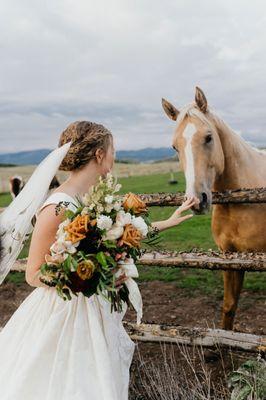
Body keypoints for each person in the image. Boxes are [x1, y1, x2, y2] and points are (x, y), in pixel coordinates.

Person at [0, 121, 196, 400]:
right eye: (112, 150)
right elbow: (33, 274)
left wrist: (167, 222)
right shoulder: (57, 206)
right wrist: (86, 278)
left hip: (95, 308)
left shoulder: (93, 199)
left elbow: (116, 235)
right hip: (65, 313)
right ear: (99, 155)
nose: (114, 157)